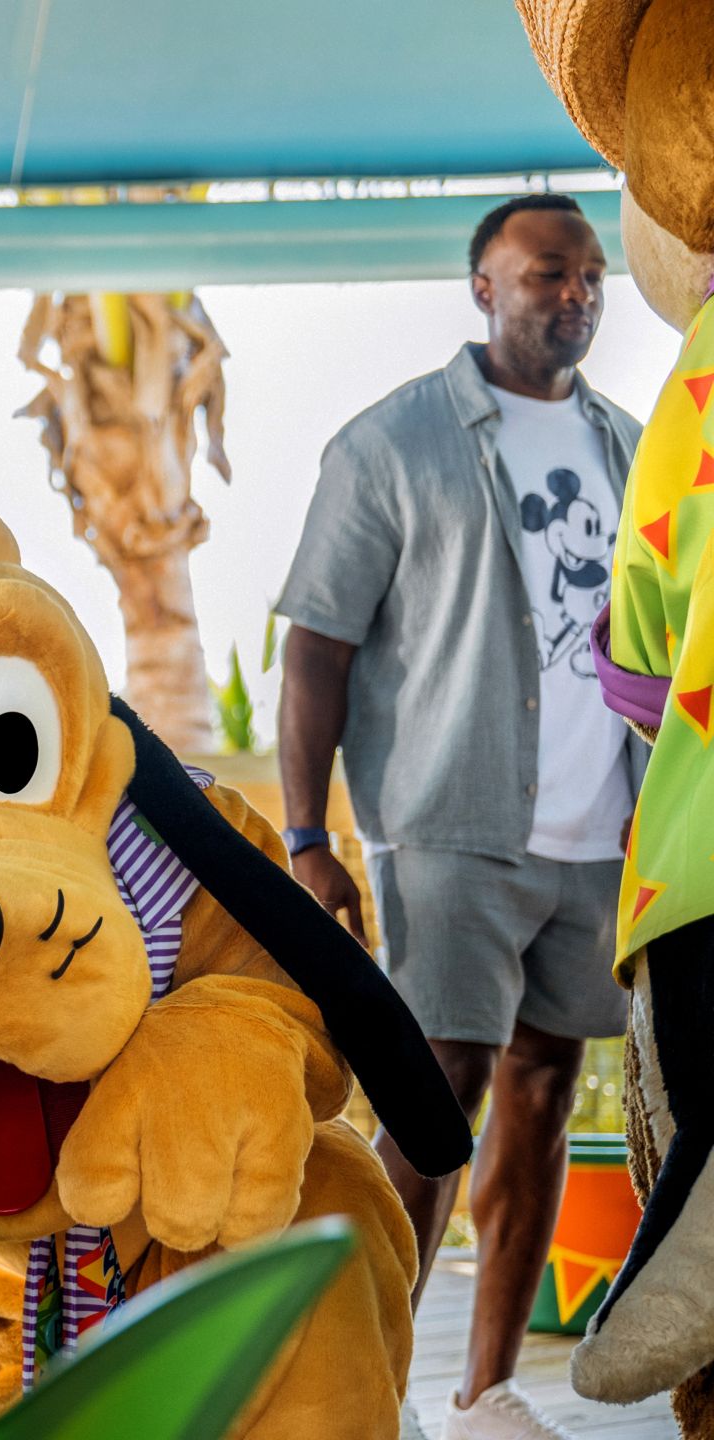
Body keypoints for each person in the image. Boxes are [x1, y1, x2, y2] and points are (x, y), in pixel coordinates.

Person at [275, 193, 645, 1440]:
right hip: (449, 820)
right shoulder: (391, 444)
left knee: (544, 1093)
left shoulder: (635, 449)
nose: (575, 294)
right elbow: (315, 650)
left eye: (589, 276)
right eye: (547, 273)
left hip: (603, 835)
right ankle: (359, 1385)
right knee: (436, 1097)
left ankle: (485, 1391)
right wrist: (306, 837)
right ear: (481, 285)